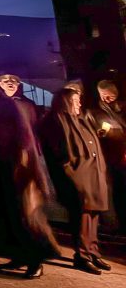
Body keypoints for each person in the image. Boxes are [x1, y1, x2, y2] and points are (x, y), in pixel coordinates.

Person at [0, 73, 59, 278]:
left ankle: (36, 260)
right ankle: (18, 256)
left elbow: (24, 135)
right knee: (8, 219)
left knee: (24, 218)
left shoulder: (8, 107)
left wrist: (24, 163)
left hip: (16, 171)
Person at [40, 86, 110, 275]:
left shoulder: (80, 119)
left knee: (94, 215)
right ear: (65, 102)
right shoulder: (56, 121)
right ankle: (82, 255)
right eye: (75, 100)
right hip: (78, 177)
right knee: (81, 217)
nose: (79, 103)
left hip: (93, 175)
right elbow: (57, 153)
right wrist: (71, 173)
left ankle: (93, 251)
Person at [89, 80, 126, 233]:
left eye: (109, 96)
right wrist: (101, 134)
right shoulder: (95, 113)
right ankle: (114, 225)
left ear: (115, 94)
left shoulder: (123, 109)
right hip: (109, 159)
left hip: (123, 157)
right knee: (112, 191)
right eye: (102, 96)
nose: (105, 100)